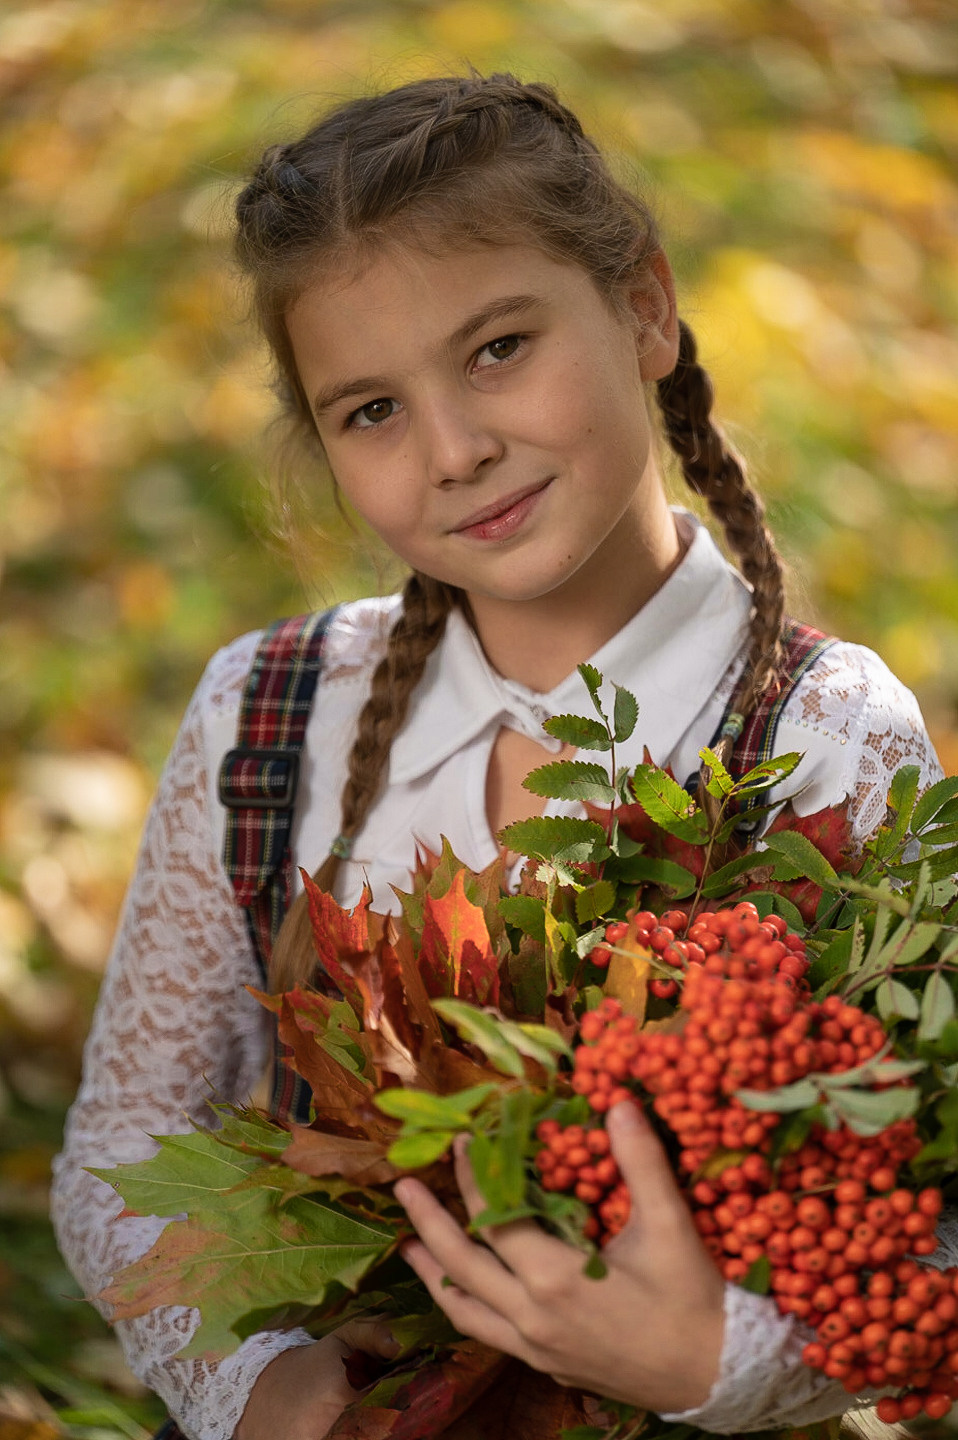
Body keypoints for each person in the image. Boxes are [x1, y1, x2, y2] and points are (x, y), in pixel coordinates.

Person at [51, 72, 947, 1440]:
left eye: (496, 348)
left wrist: (717, 1357)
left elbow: (922, 1237)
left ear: (641, 308)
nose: (456, 450)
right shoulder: (272, 714)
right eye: (371, 410)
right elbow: (122, 1145)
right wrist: (255, 1390)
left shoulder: (819, 737)